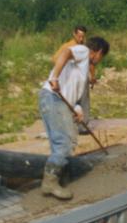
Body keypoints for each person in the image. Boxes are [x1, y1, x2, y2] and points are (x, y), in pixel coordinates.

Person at [39, 36, 110, 199]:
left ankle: (58, 175)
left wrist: (78, 109)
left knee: (59, 141)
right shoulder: (84, 51)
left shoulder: (83, 66)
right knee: (66, 141)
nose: (100, 60)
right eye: (102, 57)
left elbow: (74, 92)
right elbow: (65, 52)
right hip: (53, 98)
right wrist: (54, 78)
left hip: (55, 99)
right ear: (98, 52)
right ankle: (50, 183)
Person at [52, 26, 95, 133]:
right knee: (71, 102)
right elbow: (55, 59)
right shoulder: (67, 47)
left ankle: (82, 126)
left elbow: (90, 64)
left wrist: (91, 77)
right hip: (71, 79)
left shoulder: (84, 47)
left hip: (82, 79)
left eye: (83, 37)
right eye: (79, 36)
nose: (81, 39)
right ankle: (72, 126)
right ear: (74, 34)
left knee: (83, 102)